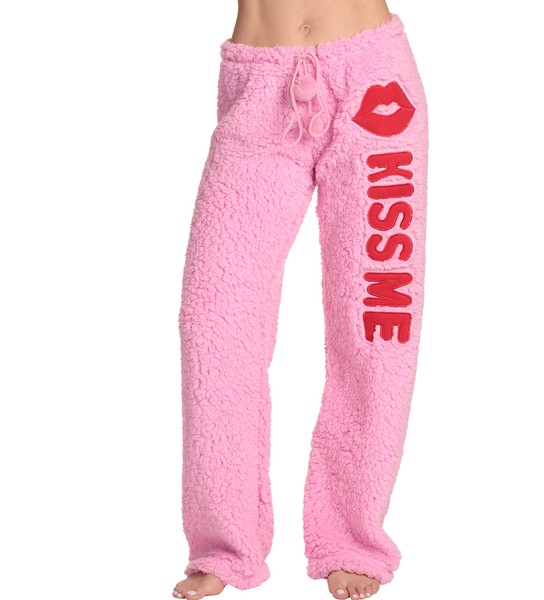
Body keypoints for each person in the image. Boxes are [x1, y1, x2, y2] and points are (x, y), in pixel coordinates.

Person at [172, 1, 429, 598]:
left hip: (374, 83)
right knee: (213, 321)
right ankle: (224, 544)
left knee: (375, 325)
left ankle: (352, 538)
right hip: (259, 85)